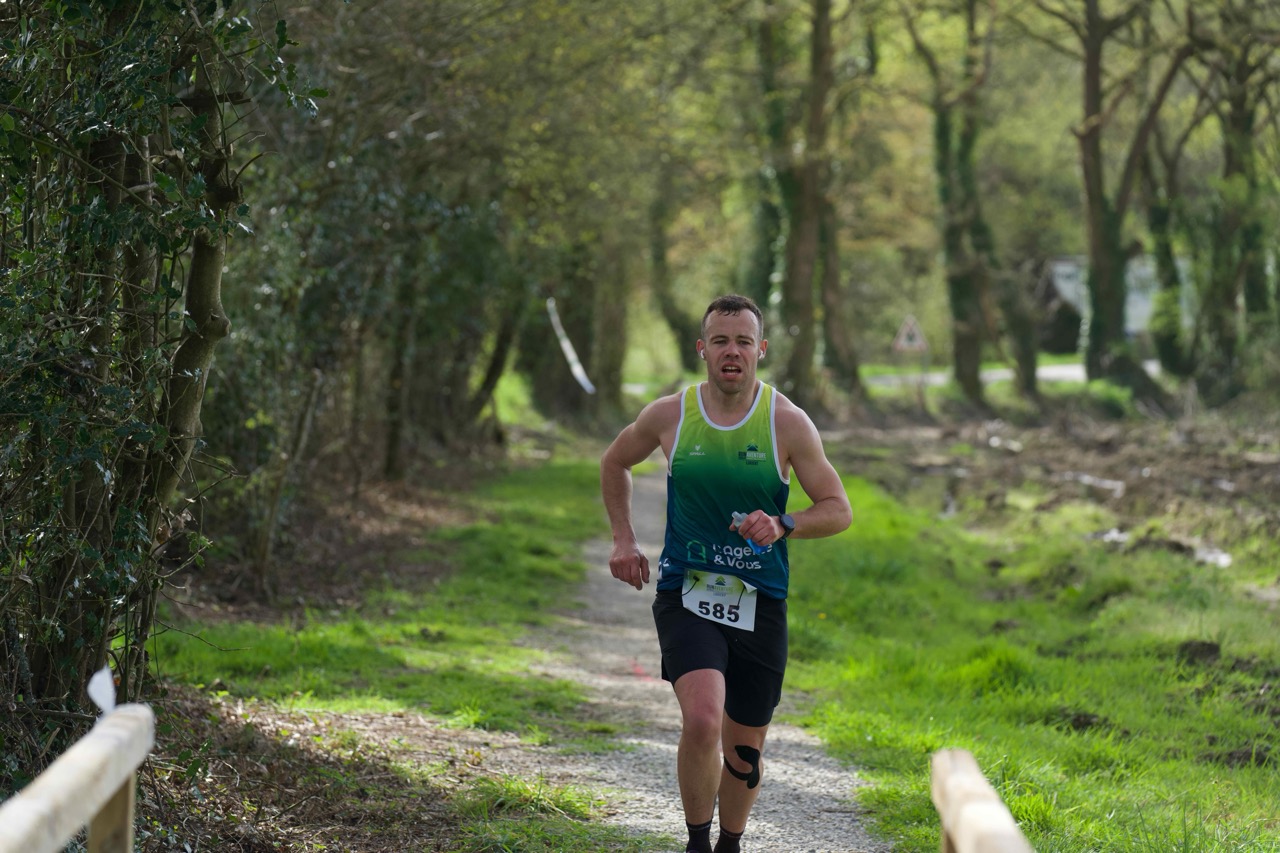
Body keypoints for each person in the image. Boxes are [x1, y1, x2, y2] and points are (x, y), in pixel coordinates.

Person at [600, 294, 852, 853]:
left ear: (761, 350)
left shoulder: (786, 422)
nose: (731, 351)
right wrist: (623, 539)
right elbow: (615, 460)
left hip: (760, 599)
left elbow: (838, 509)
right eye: (720, 341)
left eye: (743, 342)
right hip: (686, 593)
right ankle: (697, 843)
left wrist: (784, 523)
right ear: (702, 349)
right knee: (703, 719)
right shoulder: (671, 414)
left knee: (744, 747)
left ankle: (729, 843)